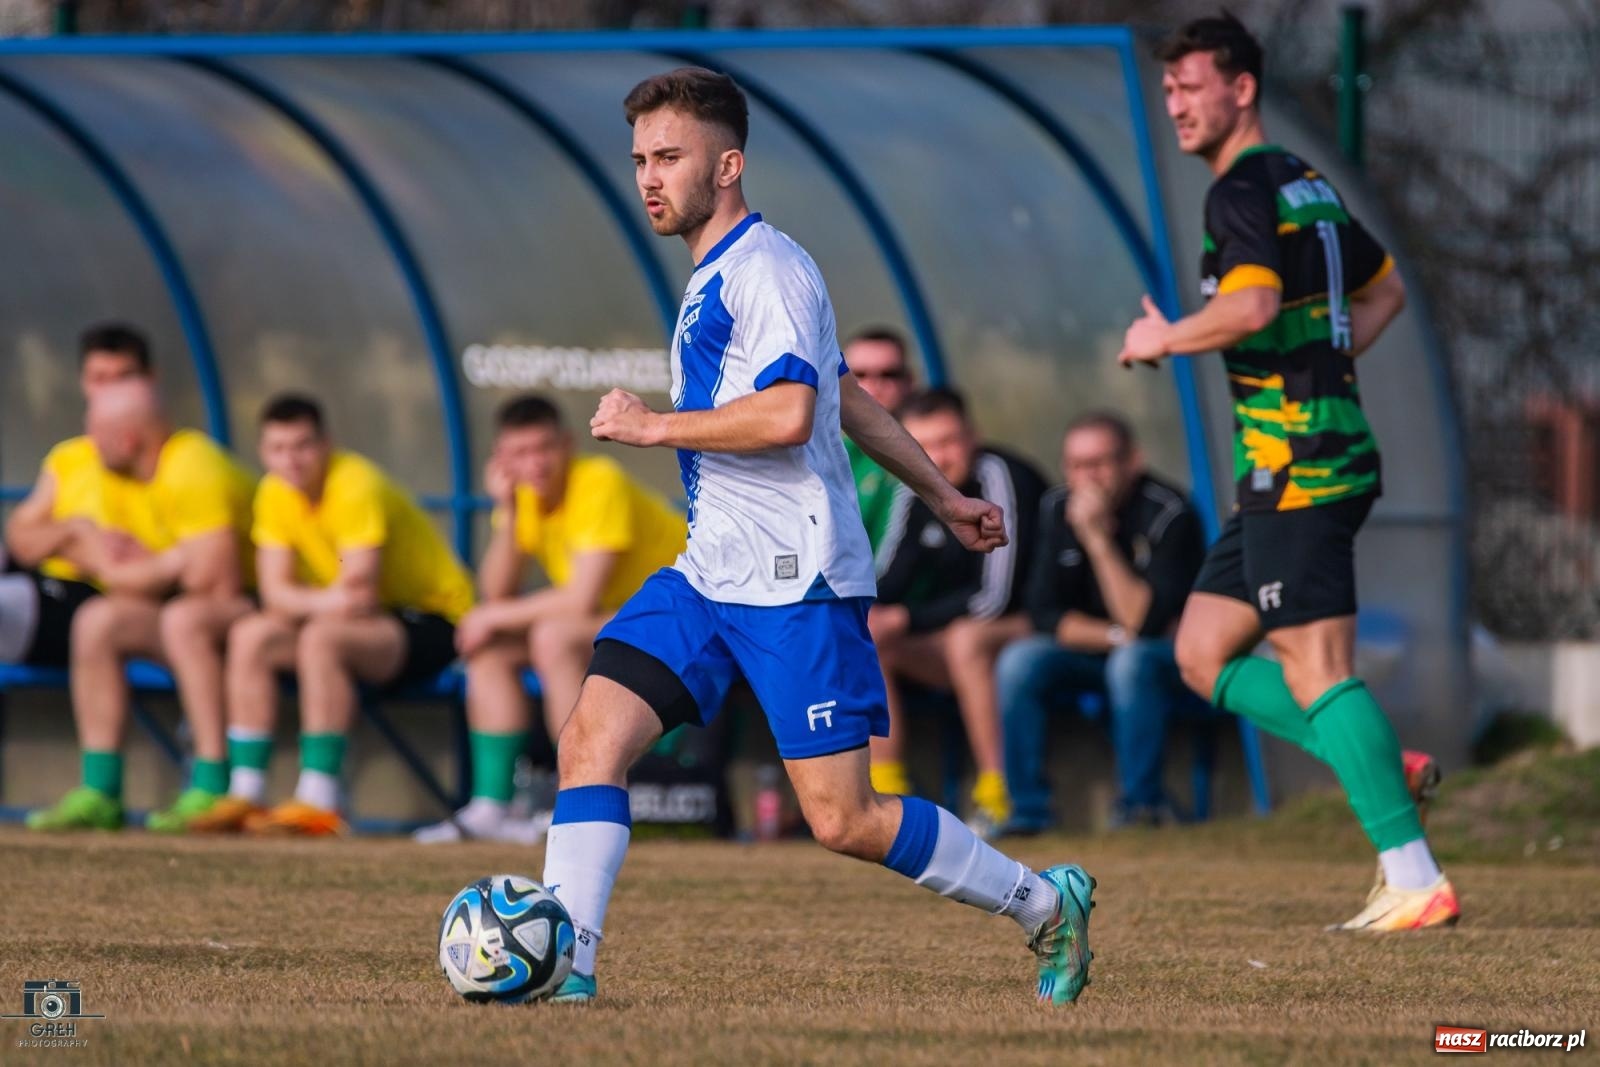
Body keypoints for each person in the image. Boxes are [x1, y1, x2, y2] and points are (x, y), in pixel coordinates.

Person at [537, 66, 1094, 1006]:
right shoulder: (715, 274)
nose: (648, 177)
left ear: (729, 164)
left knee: (844, 818)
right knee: (591, 739)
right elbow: (850, 398)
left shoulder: (771, 268)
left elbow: (796, 411)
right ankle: (568, 966)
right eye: (639, 158)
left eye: (669, 156)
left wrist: (654, 425)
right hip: (709, 571)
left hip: (796, 581)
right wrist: (947, 492)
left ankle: (1045, 903)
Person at [1118, 12, 1454, 931]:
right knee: (1199, 652)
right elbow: (1380, 290)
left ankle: (1414, 875)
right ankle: (1380, 759)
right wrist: (1324, 363)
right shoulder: (1308, 184)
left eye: (1191, 86)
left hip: (1300, 466)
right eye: (1170, 89)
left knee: (1313, 665)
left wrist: (1163, 338)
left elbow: (1253, 301)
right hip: (1294, 464)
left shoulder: (1238, 190)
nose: (1176, 103)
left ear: (1242, 88)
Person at [191, 394, 475, 836]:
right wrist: (321, 601)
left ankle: (320, 799)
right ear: (264, 453)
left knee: (322, 639)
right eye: (279, 448)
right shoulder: (273, 492)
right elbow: (273, 593)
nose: (292, 459)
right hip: (350, 620)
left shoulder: (355, 482)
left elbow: (358, 591)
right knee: (250, 635)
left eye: (302, 445)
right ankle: (246, 792)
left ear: (326, 444)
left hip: (434, 621)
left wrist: (304, 601)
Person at [414, 395, 686, 844]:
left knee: (554, 636)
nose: (535, 464)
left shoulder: (599, 481)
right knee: (490, 651)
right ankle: (491, 806)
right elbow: (496, 590)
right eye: (520, 454)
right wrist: (510, 512)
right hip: (614, 621)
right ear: (502, 460)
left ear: (568, 444)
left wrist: (491, 614)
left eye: (544, 449)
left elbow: (581, 598)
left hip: (679, 613)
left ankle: (576, 795)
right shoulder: (525, 500)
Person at [25, 377, 256, 832]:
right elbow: (126, 575)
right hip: (182, 608)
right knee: (98, 620)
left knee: (183, 619)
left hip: (250, 612)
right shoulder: (125, 475)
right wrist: (163, 562)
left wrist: (133, 567)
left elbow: (216, 582)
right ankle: (101, 791)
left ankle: (211, 785)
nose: (89, 447)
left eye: (97, 436)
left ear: (128, 439)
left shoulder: (193, 465)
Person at [997, 412, 1208, 833]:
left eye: (1100, 463)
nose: (1087, 478)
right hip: (1098, 647)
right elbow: (1042, 613)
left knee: (1132, 663)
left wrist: (1096, 539)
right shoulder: (1055, 507)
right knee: (1019, 661)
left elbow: (1145, 623)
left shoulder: (1170, 513)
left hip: (1167, 657)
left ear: (1133, 460)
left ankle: (1140, 807)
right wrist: (1115, 636)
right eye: (1076, 466)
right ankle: (1028, 811)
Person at [868, 387, 1046, 837]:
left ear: (973, 436)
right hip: (959, 631)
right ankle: (883, 793)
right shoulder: (916, 486)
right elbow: (888, 580)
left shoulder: (1002, 477)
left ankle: (999, 793)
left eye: (949, 441)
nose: (940, 457)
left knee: (966, 639)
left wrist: (906, 619)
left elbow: (996, 597)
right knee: (871, 636)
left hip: (1038, 624)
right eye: (924, 446)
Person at [2, 324, 150, 673]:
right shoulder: (69, 457)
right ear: (83, 381)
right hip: (41, 582)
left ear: (149, 381)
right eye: (99, 378)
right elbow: (19, 538)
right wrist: (73, 532)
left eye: (123, 377)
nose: (110, 390)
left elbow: (130, 569)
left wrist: (62, 542)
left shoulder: (169, 459)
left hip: (87, 602)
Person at [840, 326, 916, 552]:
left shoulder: (933, 448)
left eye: (889, 374)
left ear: (910, 381)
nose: (874, 385)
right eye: (859, 375)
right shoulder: (816, 449)